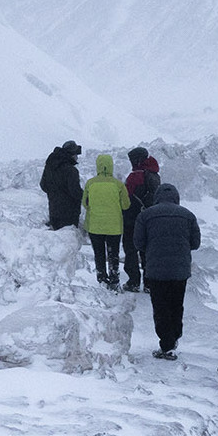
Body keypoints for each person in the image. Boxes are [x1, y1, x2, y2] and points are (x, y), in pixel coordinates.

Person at [133, 182, 200, 359]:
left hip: (156, 269)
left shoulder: (146, 215)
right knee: (176, 305)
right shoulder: (188, 215)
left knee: (160, 307)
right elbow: (196, 243)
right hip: (180, 270)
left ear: (157, 197)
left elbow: (138, 242)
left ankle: (166, 343)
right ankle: (174, 337)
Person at [82, 153, 131, 289]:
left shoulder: (90, 183)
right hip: (114, 227)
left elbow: (85, 203)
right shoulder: (118, 184)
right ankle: (114, 280)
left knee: (99, 254)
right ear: (111, 166)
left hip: (95, 226)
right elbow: (126, 205)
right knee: (113, 254)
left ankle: (102, 279)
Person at [120, 148, 160, 293]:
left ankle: (133, 282)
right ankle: (149, 283)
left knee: (130, 249)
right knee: (147, 251)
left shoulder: (136, 176)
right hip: (150, 219)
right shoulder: (154, 174)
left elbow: (126, 197)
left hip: (133, 219)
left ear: (137, 160)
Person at [39, 141, 82, 230]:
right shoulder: (71, 170)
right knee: (67, 239)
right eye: (76, 155)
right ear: (71, 155)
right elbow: (75, 192)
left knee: (56, 241)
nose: (77, 157)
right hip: (69, 213)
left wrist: (55, 194)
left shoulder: (50, 166)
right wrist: (86, 197)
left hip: (54, 210)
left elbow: (43, 185)